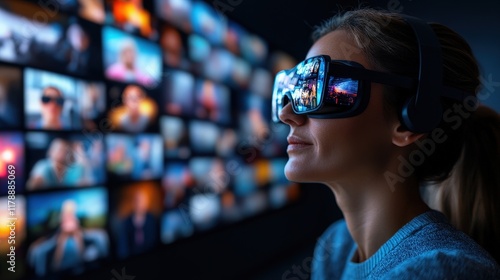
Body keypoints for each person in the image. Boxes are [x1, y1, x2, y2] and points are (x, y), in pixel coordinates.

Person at [273, 8, 500, 279]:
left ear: (411, 119)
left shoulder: (439, 270)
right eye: (292, 88)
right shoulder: (336, 246)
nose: (287, 113)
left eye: (322, 86)